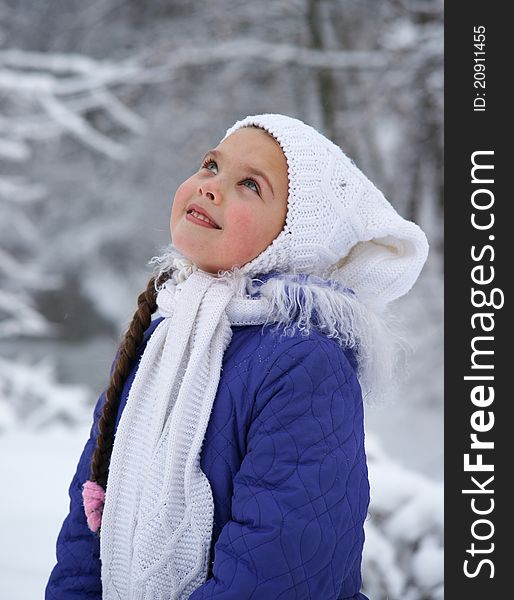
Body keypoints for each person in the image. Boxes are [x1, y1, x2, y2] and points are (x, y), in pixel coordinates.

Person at [45, 113, 429, 599]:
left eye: (250, 184)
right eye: (211, 165)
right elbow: (88, 524)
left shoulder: (304, 362)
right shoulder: (162, 340)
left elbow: (279, 569)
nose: (211, 186)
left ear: (294, 237)